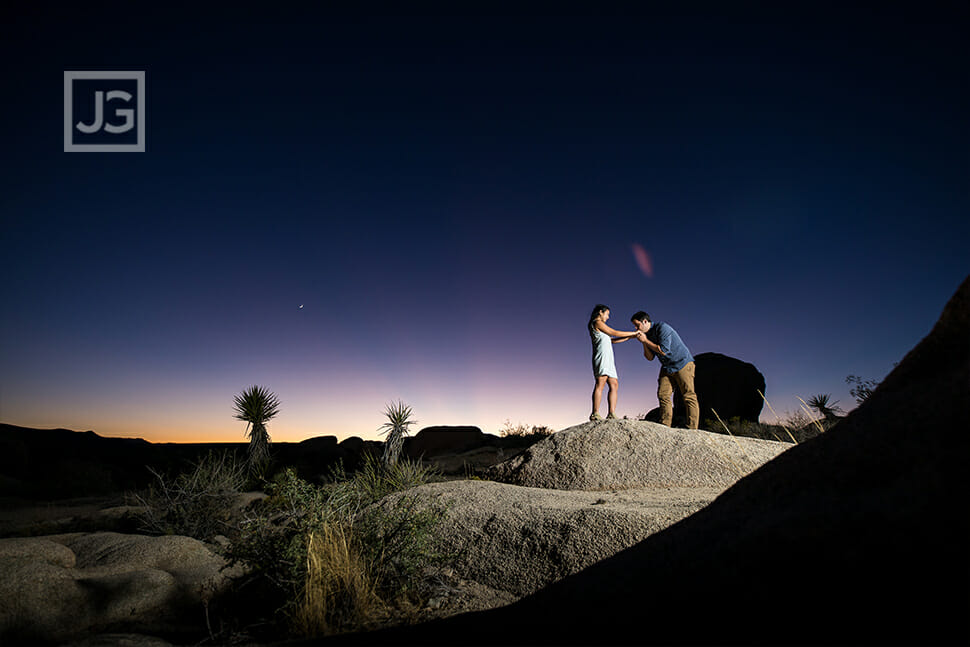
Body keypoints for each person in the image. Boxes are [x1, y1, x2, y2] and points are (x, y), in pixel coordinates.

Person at [631, 311, 699, 429]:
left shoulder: (662, 327)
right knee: (663, 394)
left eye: (638, 325)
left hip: (683, 363)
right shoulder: (647, 335)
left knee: (688, 396)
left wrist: (645, 341)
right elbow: (650, 357)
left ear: (645, 321)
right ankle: (665, 426)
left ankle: (692, 428)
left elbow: (663, 350)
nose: (636, 328)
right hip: (667, 367)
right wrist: (644, 342)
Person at [588, 304, 639, 421]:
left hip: (609, 359)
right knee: (601, 383)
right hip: (601, 357)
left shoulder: (602, 328)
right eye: (607, 314)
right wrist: (632, 333)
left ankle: (611, 413)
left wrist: (631, 337)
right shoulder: (596, 322)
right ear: (601, 312)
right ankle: (595, 413)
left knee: (614, 384)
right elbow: (613, 332)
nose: (608, 317)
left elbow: (613, 340)